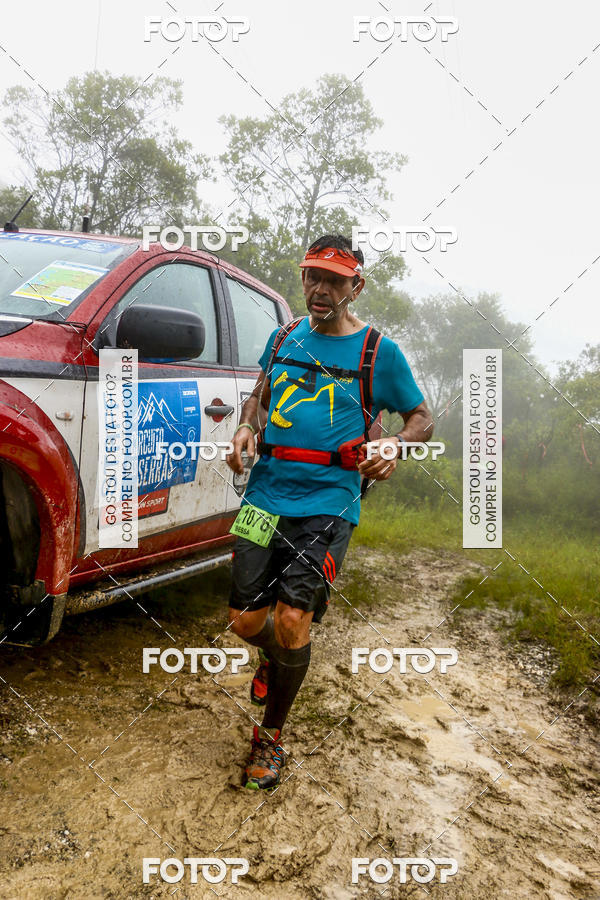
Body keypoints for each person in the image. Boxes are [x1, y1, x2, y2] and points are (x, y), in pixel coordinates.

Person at [226, 233, 433, 790]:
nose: (319, 290)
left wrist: (396, 445)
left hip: (330, 502)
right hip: (264, 493)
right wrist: (247, 425)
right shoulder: (284, 335)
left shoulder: (377, 353)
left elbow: (421, 418)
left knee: (293, 620)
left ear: (355, 286)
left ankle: (269, 741)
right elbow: (260, 393)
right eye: (311, 277)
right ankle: (275, 660)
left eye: (333, 281)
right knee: (245, 620)